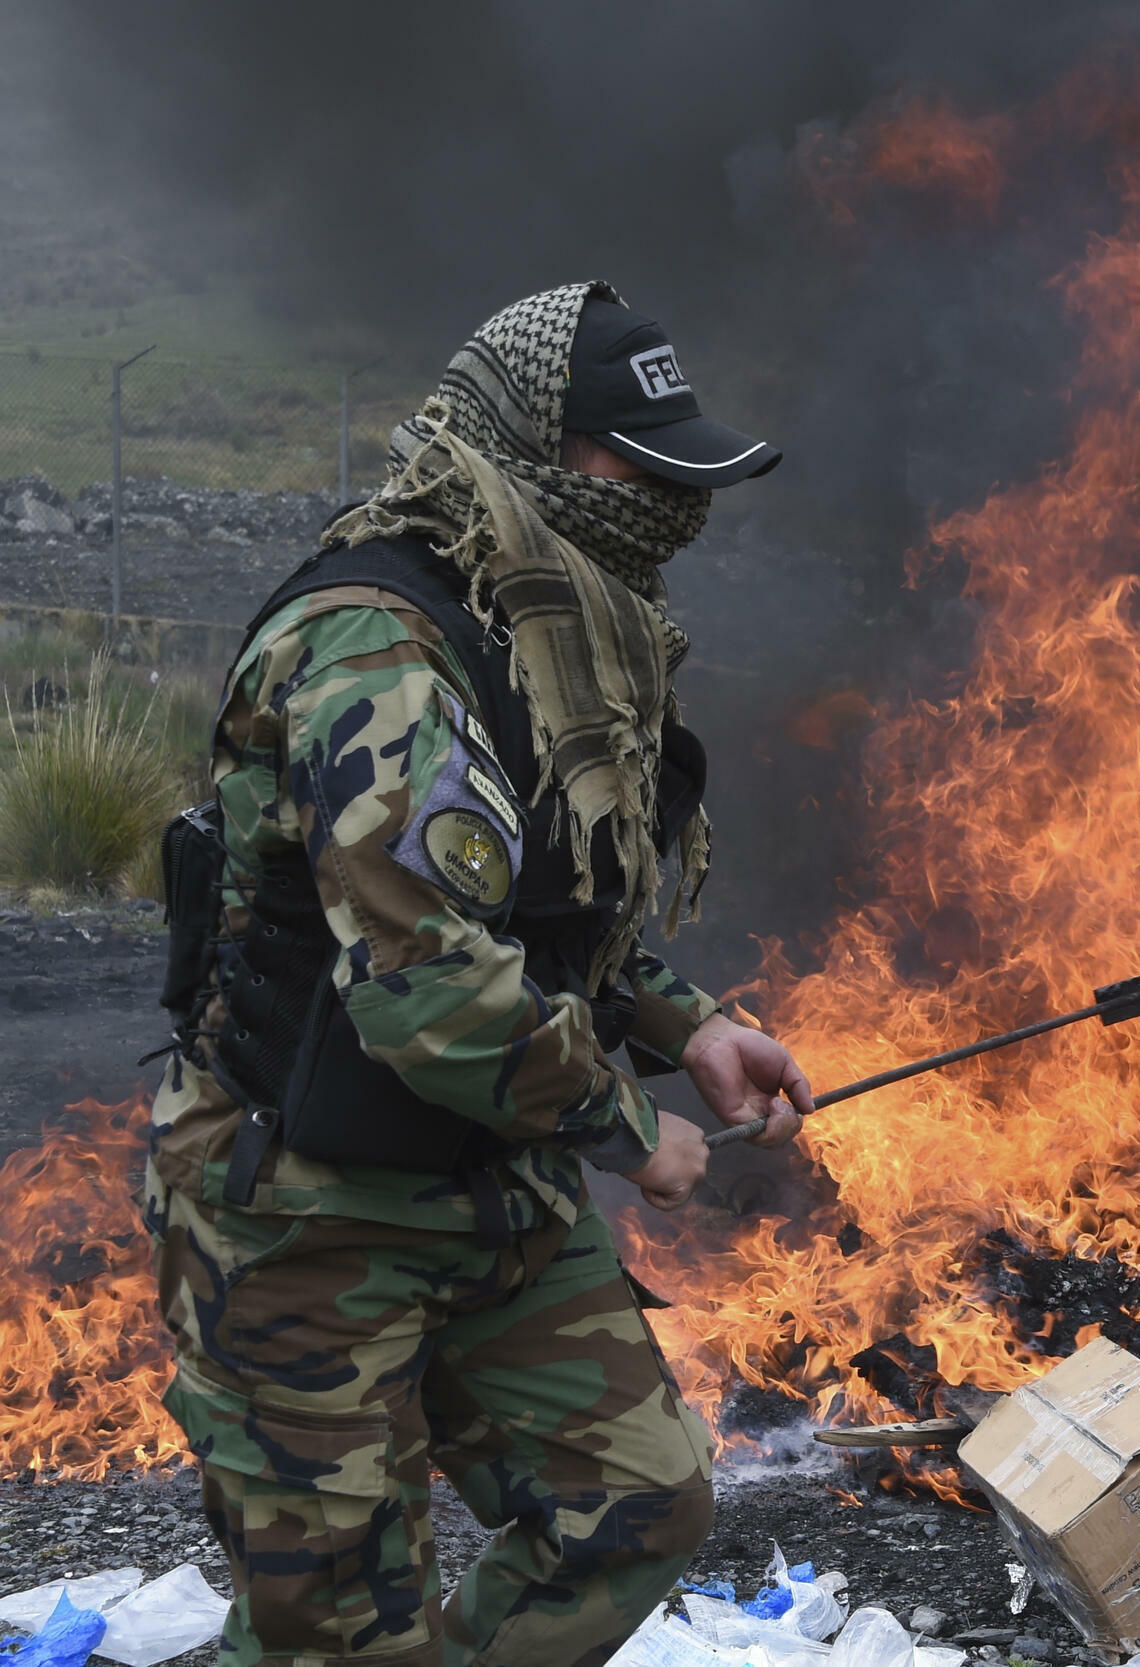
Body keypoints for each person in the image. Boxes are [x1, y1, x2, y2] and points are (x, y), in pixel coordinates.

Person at [145, 281, 811, 1667]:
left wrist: (685, 1028)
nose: (666, 509)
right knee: (334, 1635)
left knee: (639, 1504)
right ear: (530, 447)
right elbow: (430, 984)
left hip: (489, 1194)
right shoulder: (384, 648)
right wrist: (631, 1134)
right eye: (634, 468)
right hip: (306, 1223)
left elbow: (543, 913)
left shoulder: (555, 624)